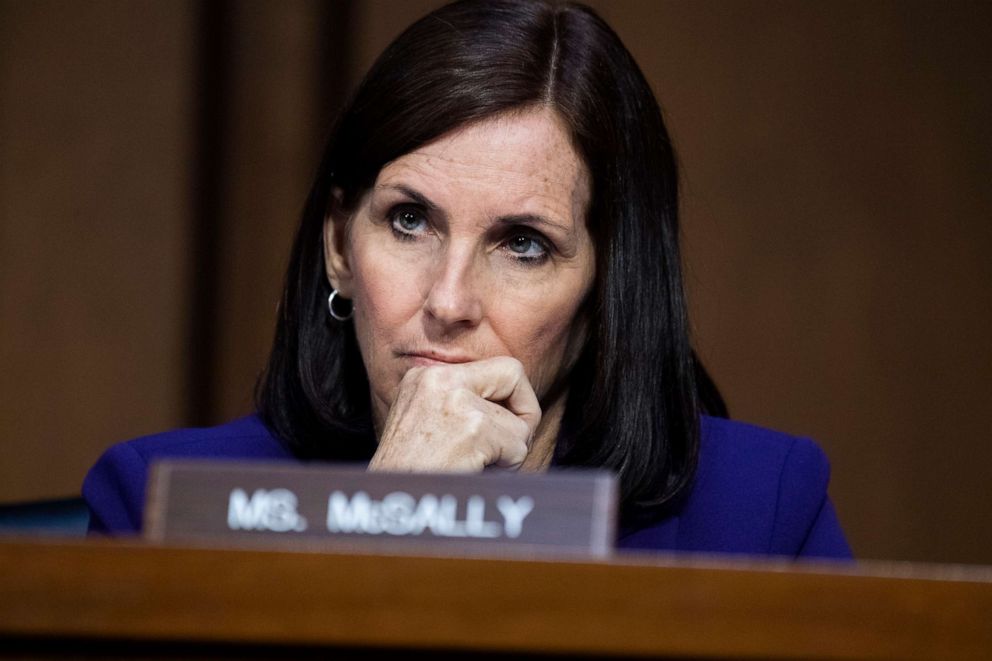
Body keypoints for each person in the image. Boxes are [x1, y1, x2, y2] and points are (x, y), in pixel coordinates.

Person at [83, 0, 851, 559]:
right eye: (410, 221)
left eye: (523, 244)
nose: (448, 303)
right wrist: (379, 520)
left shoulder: (764, 512)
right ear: (339, 247)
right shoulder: (156, 502)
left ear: (607, 290)